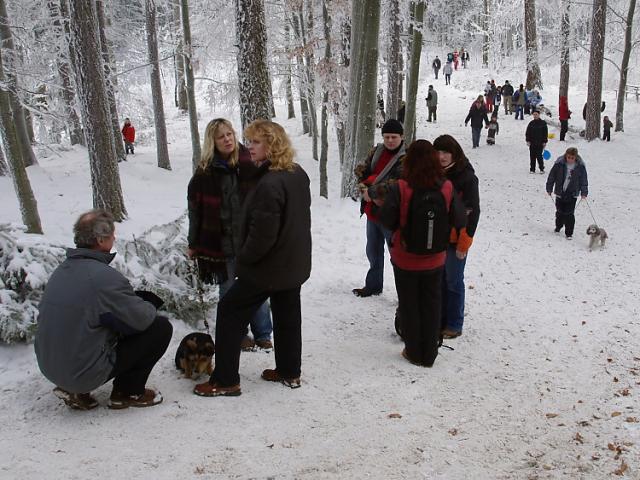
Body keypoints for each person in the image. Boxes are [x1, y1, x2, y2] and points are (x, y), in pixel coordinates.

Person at [194, 120, 312, 397]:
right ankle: (289, 371)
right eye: (249, 141)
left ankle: (224, 380)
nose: (250, 147)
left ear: (272, 144)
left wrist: (244, 260)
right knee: (287, 314)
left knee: (229, 311)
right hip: (292, 263)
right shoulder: (296, 173)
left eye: (256, 142)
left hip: (268, 267)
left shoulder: (270, 183)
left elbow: (263, 236)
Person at [35, 209, 173, 410]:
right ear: (100, 240)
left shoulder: (62, 270)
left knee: (106, 321)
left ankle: (72, 387)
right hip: (79, 373)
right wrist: (147, 303)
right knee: (159, 328)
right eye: (111, 235)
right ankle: (127, 392)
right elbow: (141, 320)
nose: (114, 238)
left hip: (50, 367)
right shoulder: (103, 277)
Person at [187, 118, 273, 351]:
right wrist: (193, 242)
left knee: (257, 287)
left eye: (229, 134)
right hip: (221, 243)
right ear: (212, 142)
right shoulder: (205, 173)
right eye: (221, 136)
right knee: (228, 291)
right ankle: (238, 333)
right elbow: (195, 210)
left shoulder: (250, 164)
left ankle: (263, 333)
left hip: (250, 241)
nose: (227, 139)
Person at [378, 140, 466, 367]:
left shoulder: (401, 187)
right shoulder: (446, 187)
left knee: (409, 304)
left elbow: (386, 219)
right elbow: (459, 219)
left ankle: (413, 350)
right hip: (435, 259)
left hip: (405, 258)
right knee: (432, 303)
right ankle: (429, 353)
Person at [433, 135, 480, 339]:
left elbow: (473, 211)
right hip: (435, 237)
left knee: (453, 280)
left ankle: (454, 323)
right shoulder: (433, 174)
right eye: (438, 152)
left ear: (454, 153)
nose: (441, 157)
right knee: (438, 280)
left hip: (456, 239)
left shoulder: (466, 177)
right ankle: (439, 319)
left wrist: (464, 241)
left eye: (445, 152)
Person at [352, 119, 406, 297]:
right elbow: (362, 171)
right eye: (387, 137)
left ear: (401, 137)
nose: (390, 140)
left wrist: (372, 191)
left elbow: (399, 184)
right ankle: (374, 285)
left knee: (397, 256)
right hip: (372, 212)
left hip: (391, 214)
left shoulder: (407, 157)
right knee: (373, 251)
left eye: (394, 137)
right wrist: (364, 188)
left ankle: (404, 293)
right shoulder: (377, 151)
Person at [545, 147, 588, 240]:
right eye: (568, 157)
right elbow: (552, 176)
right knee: (559, 211)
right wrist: (549, 187)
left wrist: (584, 192)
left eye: (572, 158)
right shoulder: (559, 164)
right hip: (560, 191)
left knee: (569, 213)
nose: (570, 159)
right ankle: (558, 226)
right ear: (566, 156)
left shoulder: (580, 166)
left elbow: (584, 180)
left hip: (572, 193)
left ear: (575, 157)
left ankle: (569, 232)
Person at [525, 109, 548, 174]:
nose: (535, 116)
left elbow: (545, 133)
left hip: (540, 143)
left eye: (536, 114)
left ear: (539, 115)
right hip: (532, 143)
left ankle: (541, 168)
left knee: (539, 156)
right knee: (532, 156)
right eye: (534, 115)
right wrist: (528, 140)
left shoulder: (543, 123)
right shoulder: (531, 123)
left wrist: (544, 141)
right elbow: (527, 133)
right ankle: (532, 169)